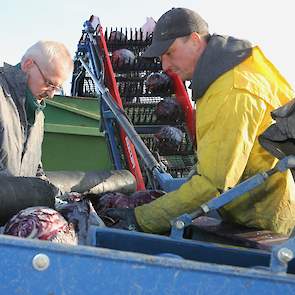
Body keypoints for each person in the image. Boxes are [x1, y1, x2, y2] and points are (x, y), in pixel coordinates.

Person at [106, 7, 295, 236]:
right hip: (254, 210)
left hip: (261, 223)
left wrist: (140, 219)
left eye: (169, 53)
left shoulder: (232, 91)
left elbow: (211, 185)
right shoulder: (228, 72)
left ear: (195, 41)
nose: (164, 66)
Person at [0, 41, 73, 177]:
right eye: (49, 83)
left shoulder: (38, 116)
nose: (51, 95)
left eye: (56, 88)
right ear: (28, 65)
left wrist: (51, 192)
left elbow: (35, 169)